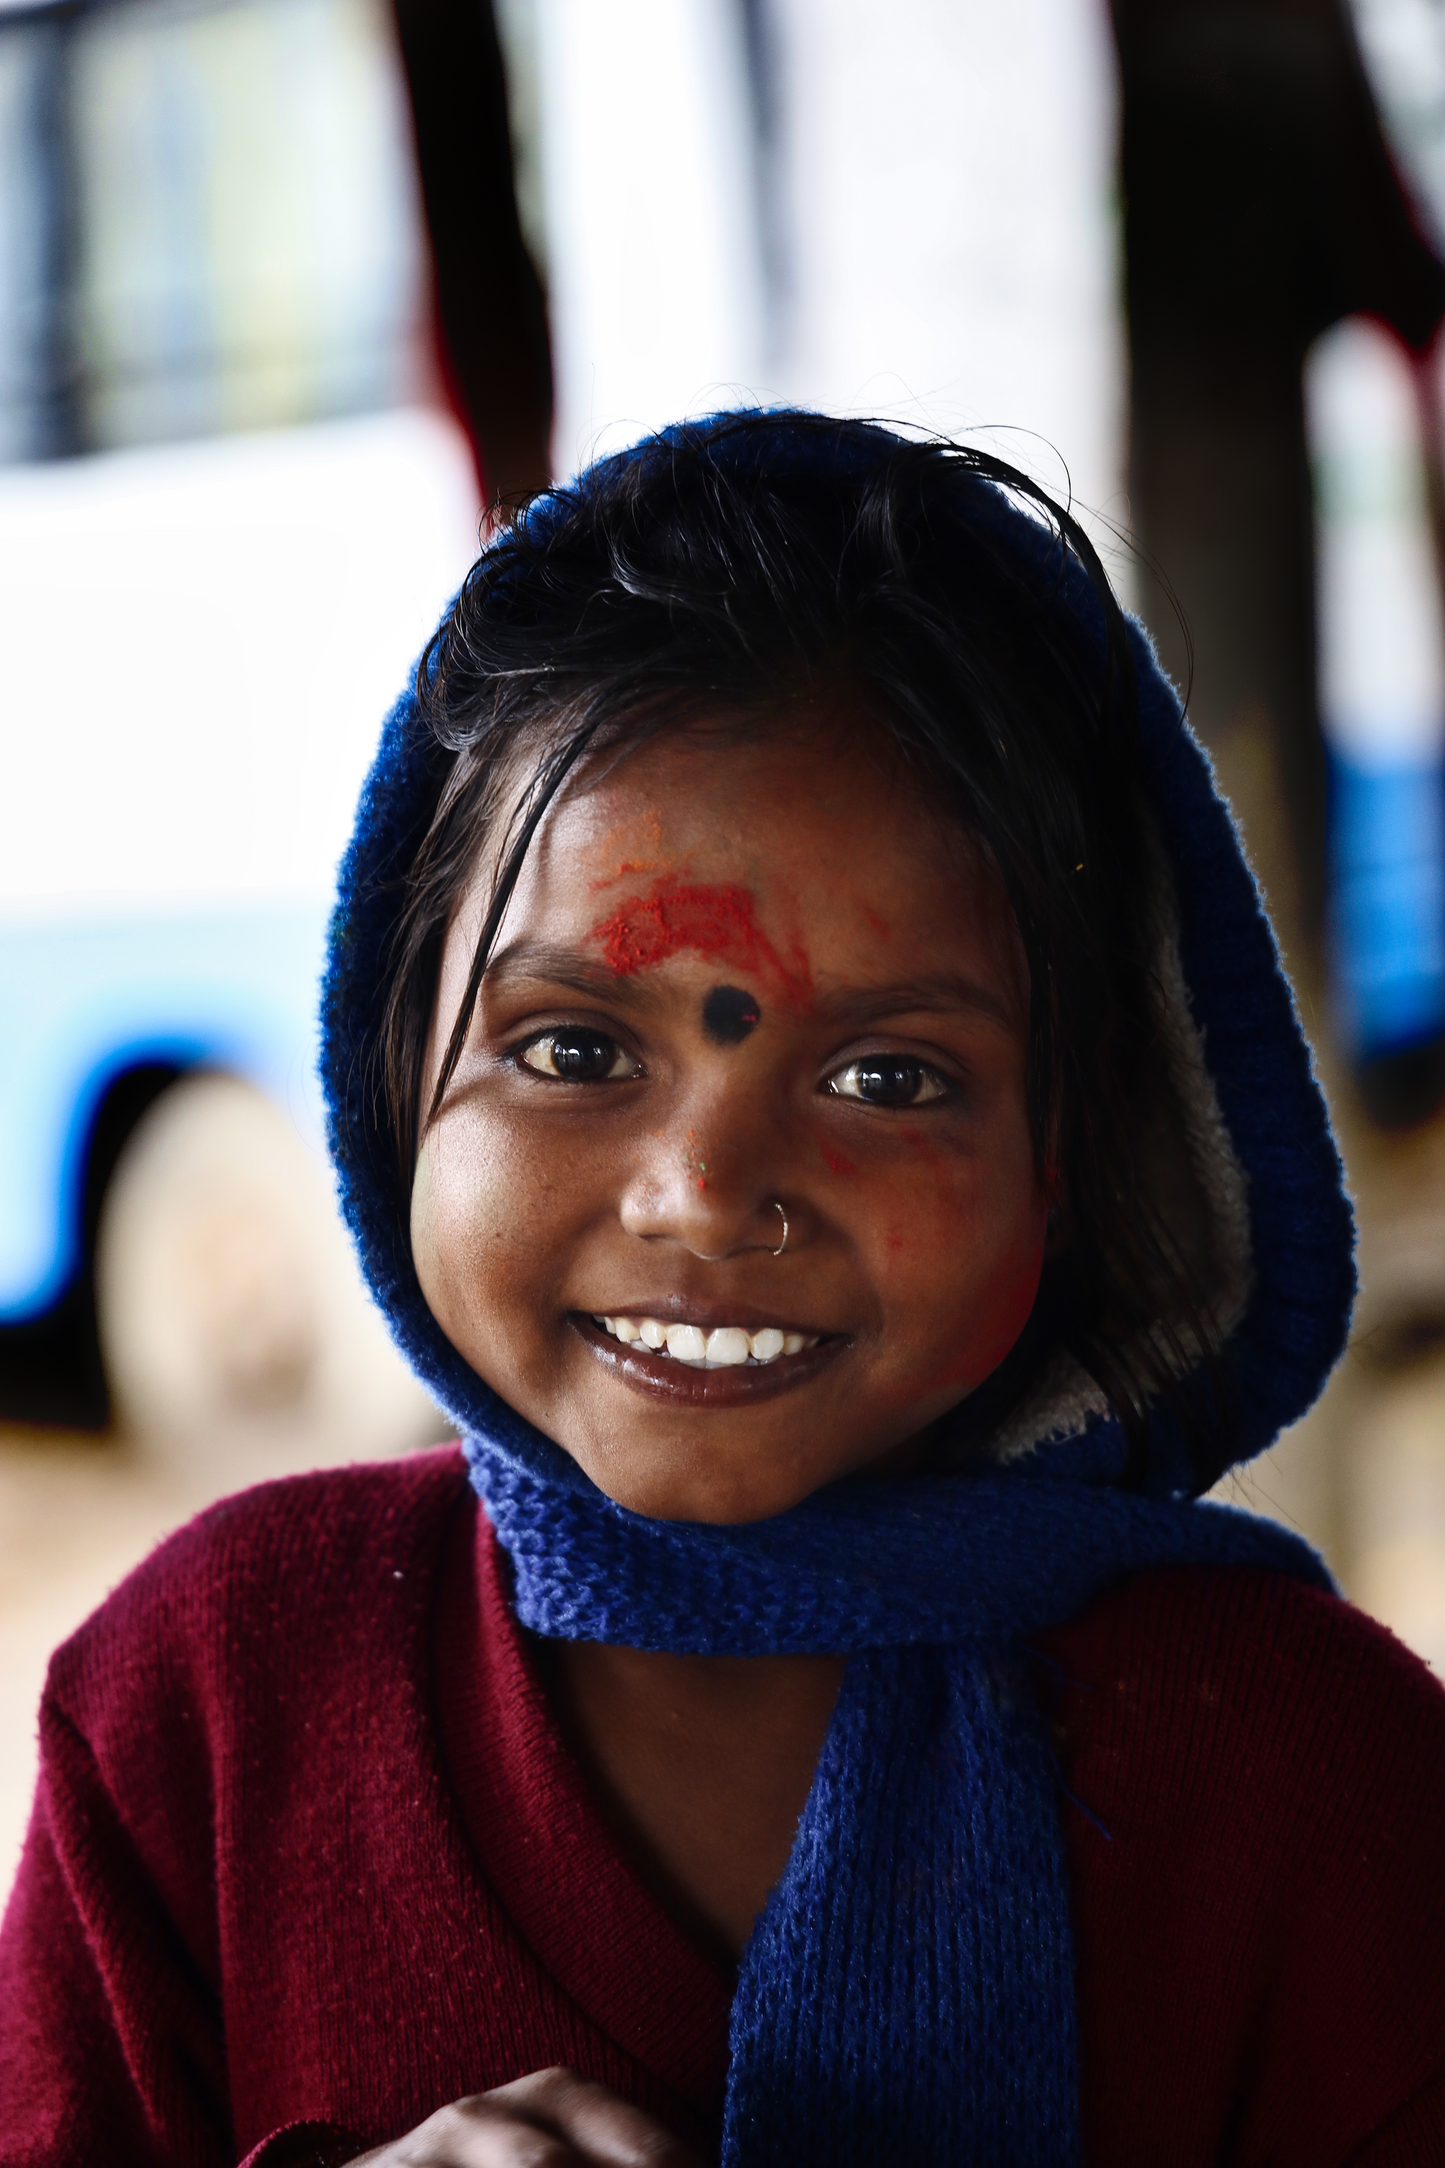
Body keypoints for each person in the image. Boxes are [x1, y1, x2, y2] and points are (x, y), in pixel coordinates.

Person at [3, 414, 1443, 2168]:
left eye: (890, 1080)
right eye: (571, 1046)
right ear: (395, 1074)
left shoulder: (1318, 1785)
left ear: (1082, 1153)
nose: (701, 1192)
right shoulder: (206, 1706)